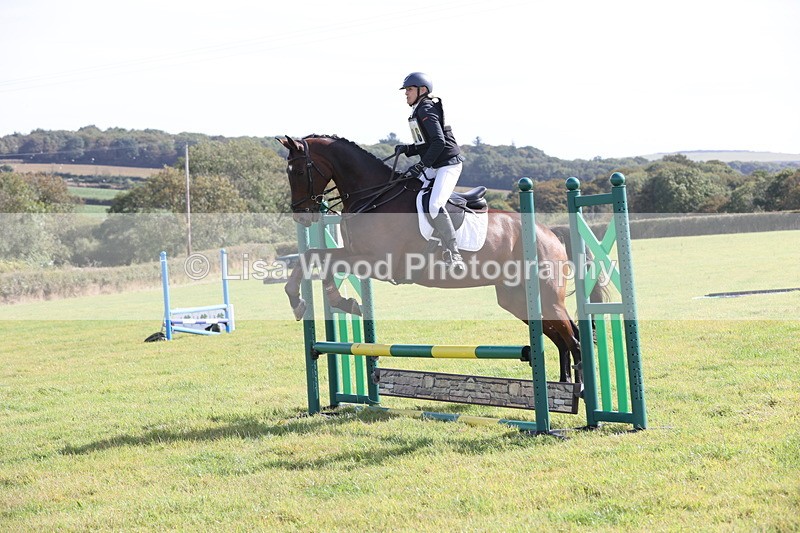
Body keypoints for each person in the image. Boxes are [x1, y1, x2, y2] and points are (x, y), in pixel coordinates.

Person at [394, 72, 466, 274]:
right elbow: (425, 143)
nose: (406, 94)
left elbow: (439, 142)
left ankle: (454, 253)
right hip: (435, 164)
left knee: (435, 204)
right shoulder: (419, 110)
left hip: (447, 165)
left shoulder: (426, 108)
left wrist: (421, 165)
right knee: (407, 189)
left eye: (409, 89)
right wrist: (408, 149)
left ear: (422, 90)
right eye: (406, 90)